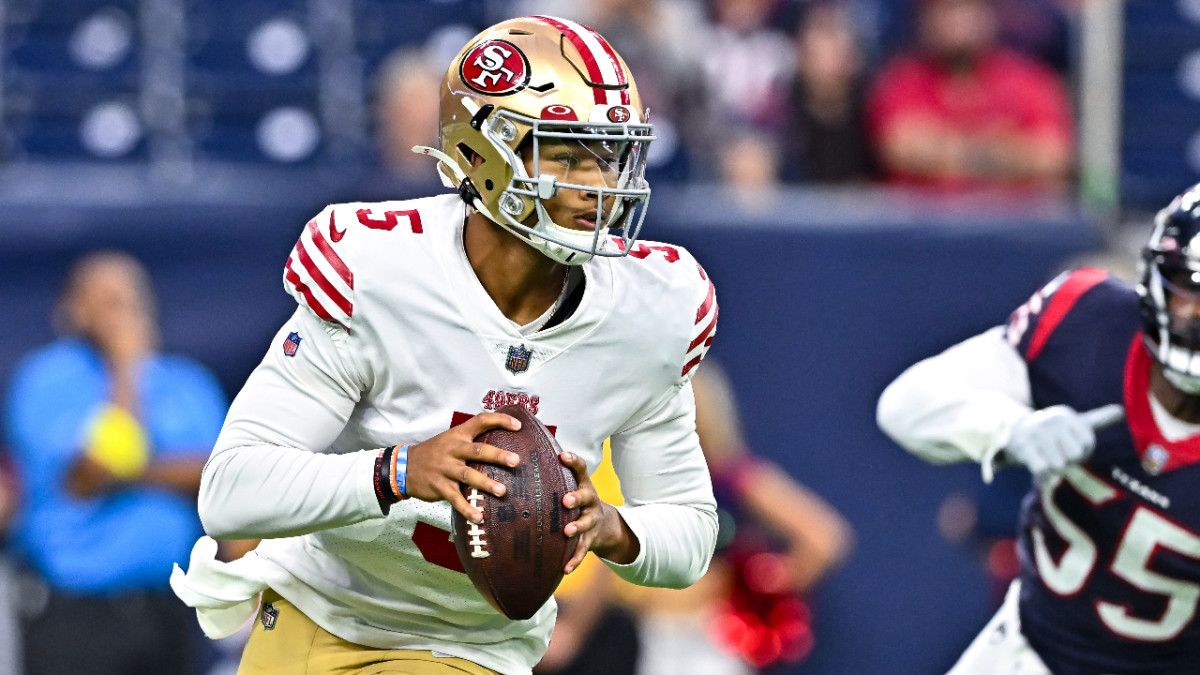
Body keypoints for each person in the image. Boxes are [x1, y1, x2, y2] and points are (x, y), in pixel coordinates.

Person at [171, 15, 720, 675]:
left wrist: (616, 528)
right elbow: (231, 490)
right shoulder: (379, 270)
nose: (600, 185)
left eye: (610, 155)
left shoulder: (649, 309)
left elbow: (689, 532)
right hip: (319, 614)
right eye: (569, 153)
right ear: (485, 155)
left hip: (475, 647)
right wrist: (398, 470)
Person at [877, 182, 1200, 674]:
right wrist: (1010, 430)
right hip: (1026, 652)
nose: (1196, 315)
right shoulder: (1088, 324)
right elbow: (905, 405)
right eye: (1190, 288)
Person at [3, 251, 227, 674]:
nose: (122, 309)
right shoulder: (47, 377)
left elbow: (221, 475)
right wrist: (125, 368)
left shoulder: (189, 382)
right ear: (71, 311)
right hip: (77, 613)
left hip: (171, 609)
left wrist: (135, 471)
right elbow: (93, 472)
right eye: (106, 297)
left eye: (130, 296)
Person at [633, 361, 854, 674]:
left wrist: (762, 580)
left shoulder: (733, 476)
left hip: (711, 641)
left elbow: (826, 538)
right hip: (652, 636)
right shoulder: (639, 479)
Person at [866, 0, 1073, 190]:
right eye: (948, 11)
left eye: (969, 10)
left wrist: (944, 150)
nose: (959, 23)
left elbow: (1052, 157)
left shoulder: (1029, 79)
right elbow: (901, 149)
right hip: (921, 225)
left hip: (1016, 225)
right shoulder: (901, 80)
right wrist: (1005, 148)